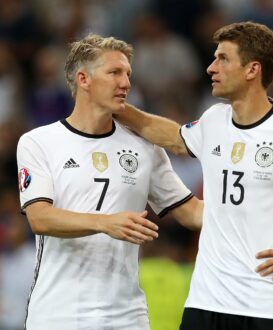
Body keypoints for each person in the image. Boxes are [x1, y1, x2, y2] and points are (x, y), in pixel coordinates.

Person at [116, 21, 273, 330]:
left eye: (223, 58)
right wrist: (119, 109)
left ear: (252, 70)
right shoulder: (213, 120)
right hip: (205, 300)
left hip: (267, 305)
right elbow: (174, 137)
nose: (211, 67)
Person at [16, 34, 203, 330]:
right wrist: (105, 222)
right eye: (114, 72)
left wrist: (254, 212)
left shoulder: (144, 147)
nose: (126, 82)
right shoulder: (39, 142)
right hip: (58, 314)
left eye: (128, 73)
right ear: (83, 79)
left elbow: (192, 213)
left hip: (127, 316)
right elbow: (40, 218)